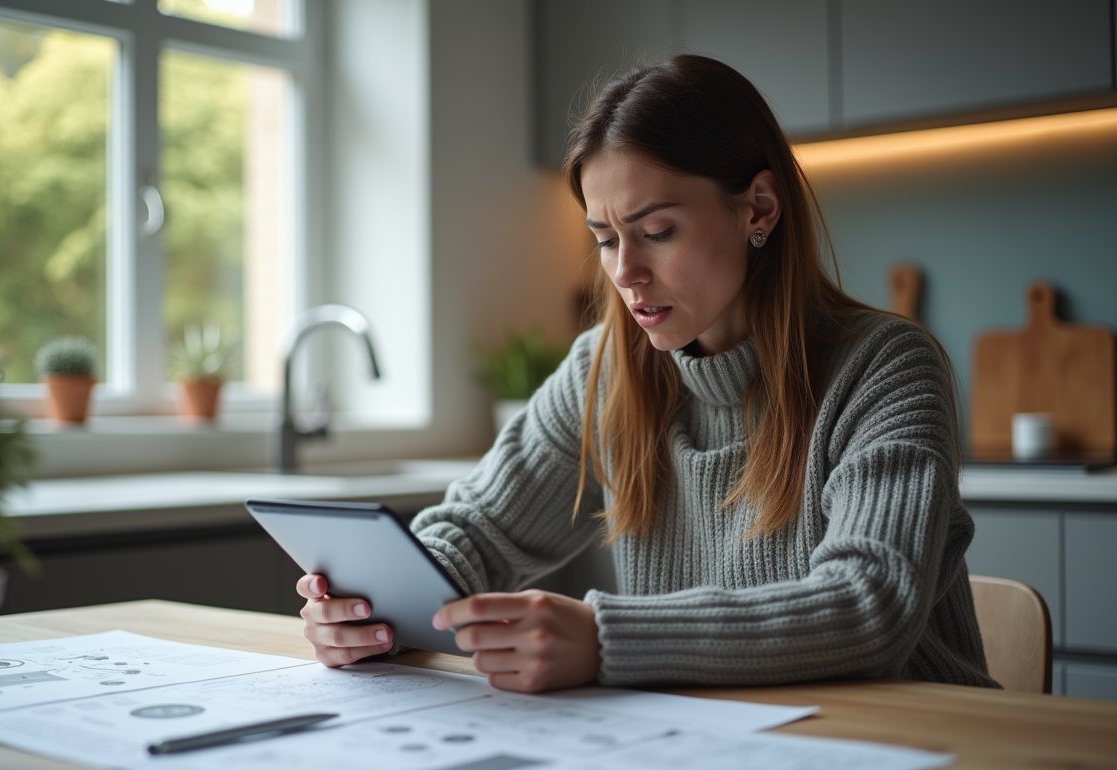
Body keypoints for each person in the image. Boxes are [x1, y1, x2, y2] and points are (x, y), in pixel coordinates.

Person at [297, 54, 997, 694]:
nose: (625, 273)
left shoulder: (887, 365)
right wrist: (373, 607)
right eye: (604, 239)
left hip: (922, 743)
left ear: (759, 207)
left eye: (656, 232)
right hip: (725, 745)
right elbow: (478, 529)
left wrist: (606, 640)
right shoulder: (605, 371)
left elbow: (869, 603)